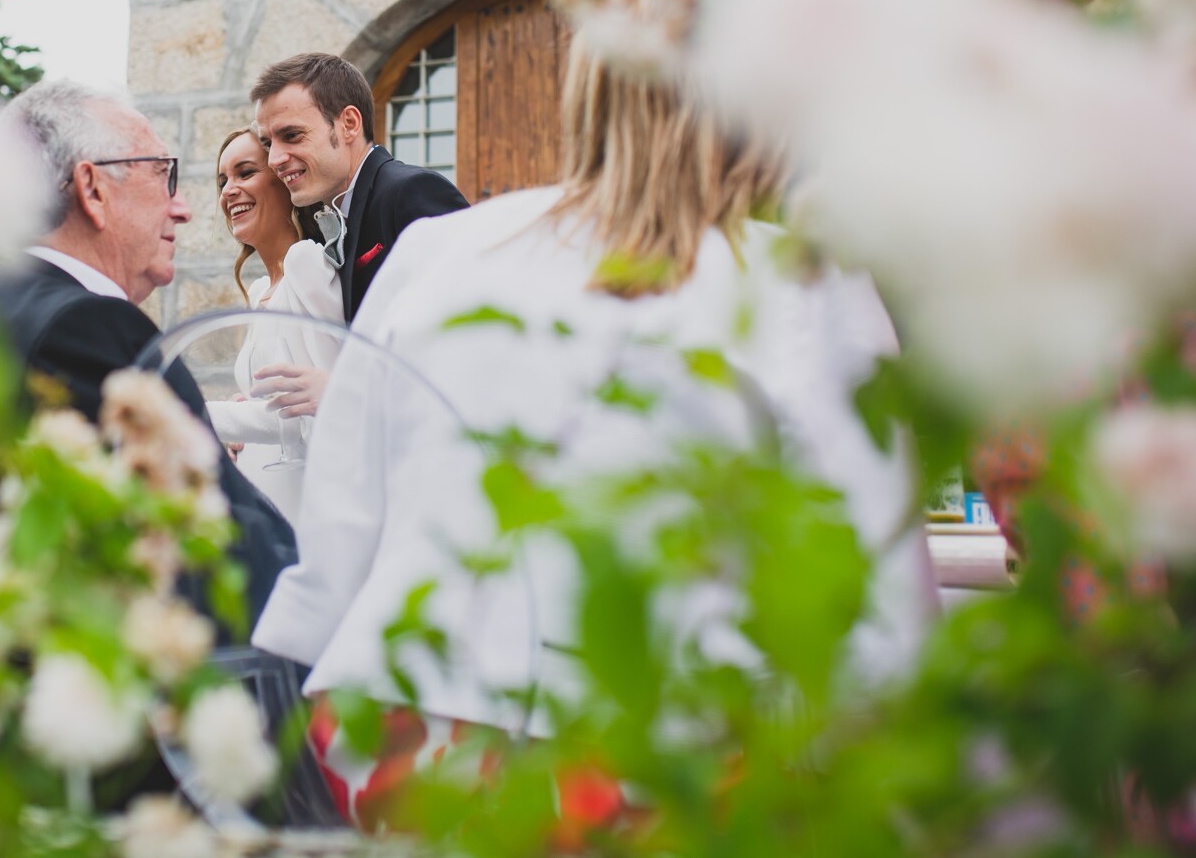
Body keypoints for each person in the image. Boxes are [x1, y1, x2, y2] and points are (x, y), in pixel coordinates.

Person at [251, 52, 937, 829]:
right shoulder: (796, 279)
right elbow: (878, 593)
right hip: (650, 754)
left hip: (406, 738)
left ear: (580, 98)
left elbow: (346, 511)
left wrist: (308, 675)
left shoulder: (436, 250)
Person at [0, 79, 297, 621]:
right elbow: (216, 537)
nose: (184, 210)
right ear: (93, 189)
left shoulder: (6, 303)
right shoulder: (89, 327)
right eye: (164, 177)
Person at [251, 53, 467, 324]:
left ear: (349, 124)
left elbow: (466, 319)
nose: (274, 160)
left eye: (292, 136)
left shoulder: (412, 192)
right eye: (269, 144)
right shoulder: (330, 217)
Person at [208, 128, 343, 518]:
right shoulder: (260, 289)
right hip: (263, 505)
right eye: (223, 181)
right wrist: (244, 414)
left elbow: (322, 409)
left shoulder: (306, 265)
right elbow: (274, 406)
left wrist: (203, 415)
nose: (228, 191)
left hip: (309, 507)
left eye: (245, 173)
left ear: (284, 182)